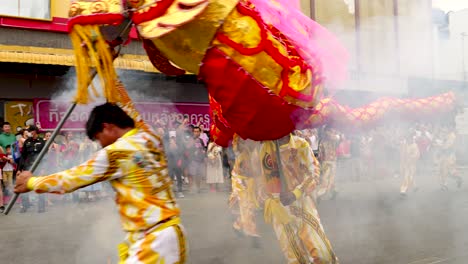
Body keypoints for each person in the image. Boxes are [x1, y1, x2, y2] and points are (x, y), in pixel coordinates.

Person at [15, 101, 186, 263]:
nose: (100, 144)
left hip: (154, 240)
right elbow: (129, 109)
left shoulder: (115, 152)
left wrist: (32, 182)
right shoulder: (150, 137)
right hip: (169, 233)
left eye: (98, 137)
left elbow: (71, 179)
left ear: (107, 127)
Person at [258, 134, 338, 264]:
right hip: (280, 211)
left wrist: (295, 193)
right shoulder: (264, 148)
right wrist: (265, 197)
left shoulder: (301, 144)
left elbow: (313, 175)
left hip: (303, 205)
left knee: (323, 255)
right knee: (296, 259)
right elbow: (262, 179)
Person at [229, 136, 261, 246]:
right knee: (247, 205)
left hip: (252, 182)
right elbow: (246, 171)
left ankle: (237, 225)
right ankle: (253, 234)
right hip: (240, 181)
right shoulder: (242, 152)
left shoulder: (256, 151)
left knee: (250, 206)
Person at [17, 125, 46, 213]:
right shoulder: (27, 142)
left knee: (39, 185)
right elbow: (23, 156)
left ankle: (41, 207)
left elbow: (45, 156)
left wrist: (43, 168)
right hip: (27, 167)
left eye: (31, 131)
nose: (29, 132)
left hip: (39, 166)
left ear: (35, 131)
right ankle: (25, 206)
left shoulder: (42, 141)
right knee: (24, 185)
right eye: (28, 131)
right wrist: (19, 169)